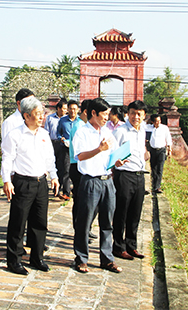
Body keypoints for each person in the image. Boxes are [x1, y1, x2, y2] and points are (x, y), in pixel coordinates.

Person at [1, 96, 59, 275]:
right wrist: (6, 181)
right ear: (26, 116)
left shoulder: (43, 134)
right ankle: (14, 260)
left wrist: (54, 177)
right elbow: (7, 158)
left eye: (42, 113)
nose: (41, 117)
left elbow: (50, 158)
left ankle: (37, 257)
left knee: (40, 222)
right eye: (37, 114)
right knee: (18, 223)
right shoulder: (15, 134)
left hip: (41, 182)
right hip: (22, 182)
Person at [72, 98, 122, 274]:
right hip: (90, 182)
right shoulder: (82, 132)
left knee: (107, 222)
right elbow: (79, 156)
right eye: (104, 114)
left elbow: (112, 155)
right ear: (93, 113)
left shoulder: (107, 132)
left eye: (108, 114)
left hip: (108, 180)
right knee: (85, 222)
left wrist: (118, 161)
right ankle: (81, 258)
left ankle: (107, 259)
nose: (107, 118)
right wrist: (98, 150)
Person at [112, 100, 148, 260]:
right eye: (133, 113)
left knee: (135, 212)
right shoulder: (121, 131)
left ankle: (131, 245)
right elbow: (112, 152)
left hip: (139, 175)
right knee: (121, 212)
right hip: (124, 175)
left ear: (144, 116)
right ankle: (118, 247)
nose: (135, 117)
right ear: (128, 114)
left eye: (139, 114)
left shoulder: (143, 130)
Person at [69, 99, 91, 228]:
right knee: (80, 200)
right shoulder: (80, 126)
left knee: (83, 200)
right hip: (77, 165)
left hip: (78, 165)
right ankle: (79, 228)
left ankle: (84, 228)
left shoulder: (82, 125)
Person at [56, 99, 79, 200]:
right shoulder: (62, 120)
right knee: (66, 170)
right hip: (65, 148)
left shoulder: (81, 122)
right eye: (70, 109)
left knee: (77, 170)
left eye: (74, 109)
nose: (72, 111)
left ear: (78, 110)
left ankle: (77, 190)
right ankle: (66, 192)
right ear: (67, 110)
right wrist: (61, 138)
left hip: (77, 149)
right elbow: (58, 133)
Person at [45, 99, 68, 197]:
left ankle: (62, 187)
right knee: (53, 165)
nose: (65, 111)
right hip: (52, 144)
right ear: (58, 108)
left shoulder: (67, 119)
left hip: (63, 145)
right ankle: (55, 189)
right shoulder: (50, 118)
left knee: (63, 166)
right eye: (64, 108)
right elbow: (46, 132)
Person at [146, 114, 172, 193]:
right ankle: (153, 185)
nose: (158, 122)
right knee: (153, 168)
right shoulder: (149, 128)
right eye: (156, 121)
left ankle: (157, 186)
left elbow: (168, 138)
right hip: (153, 150)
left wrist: (169, 150)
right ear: (153, 122)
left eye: (159, 121)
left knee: (160, 168)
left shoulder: (164, 128)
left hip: (162, 150)